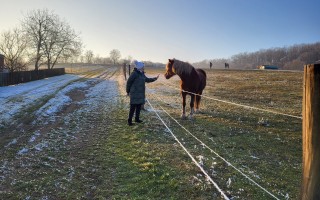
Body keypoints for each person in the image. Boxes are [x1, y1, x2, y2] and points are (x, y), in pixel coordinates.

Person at [126, 60, 159, 126]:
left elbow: (147, 80)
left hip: (140, 93)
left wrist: (155, 78)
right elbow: (128, 83)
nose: (144, 68)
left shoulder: (142, 74)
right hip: (134, 93)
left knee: (138, 107)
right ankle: (129, 121)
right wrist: (128, 91)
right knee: (132, 107)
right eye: (143, 67)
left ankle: (137, 119)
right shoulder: (134, 74)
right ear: (139, 67)